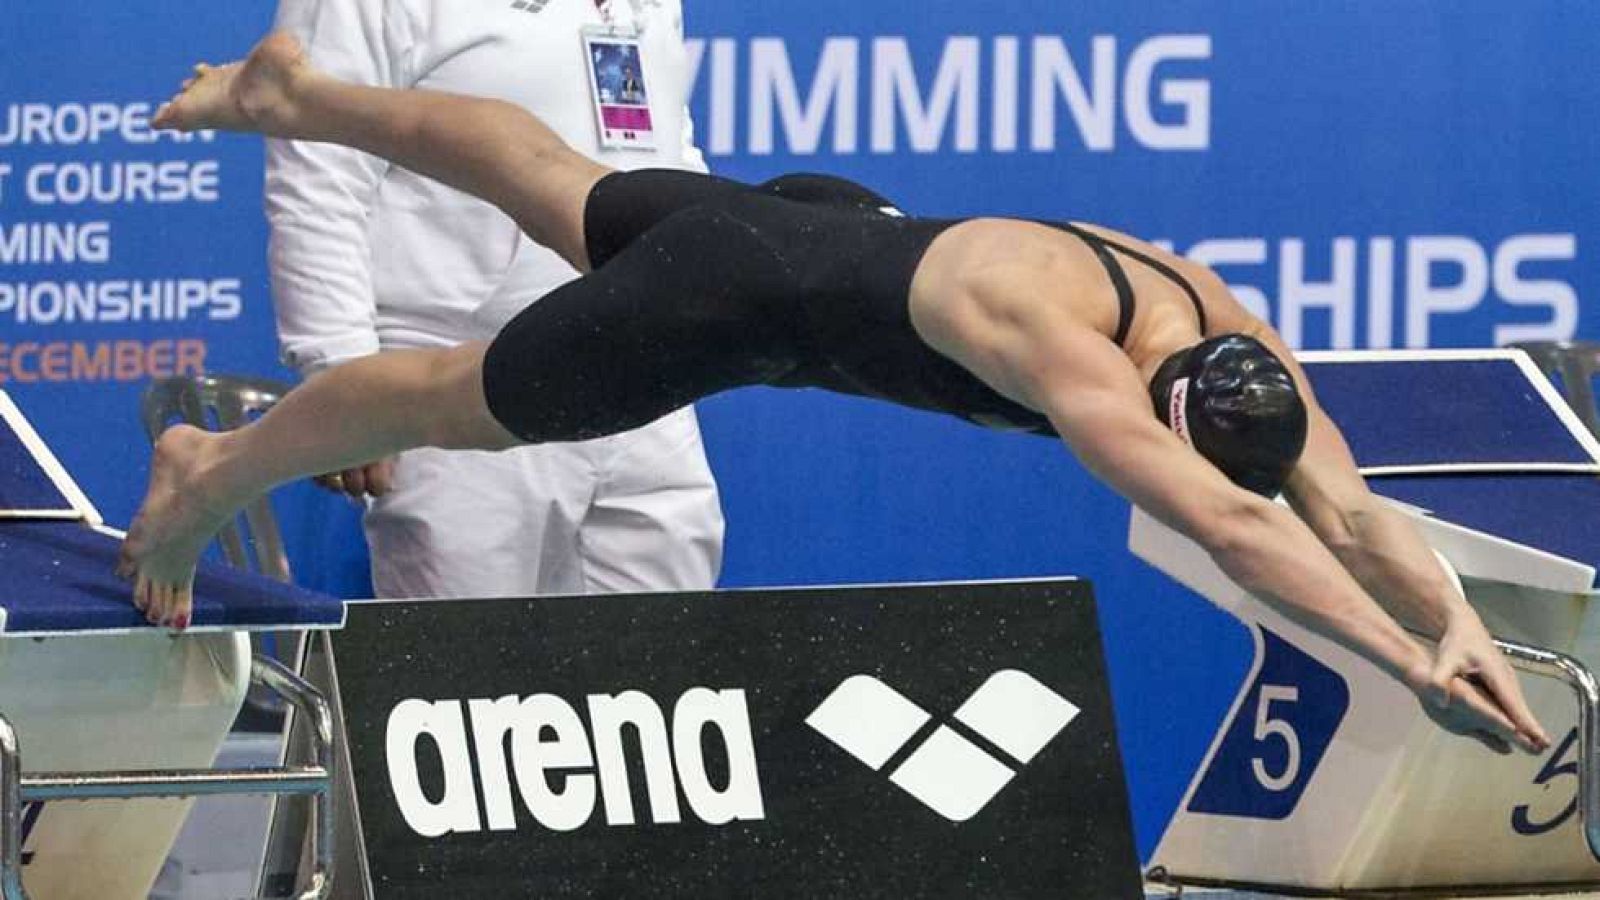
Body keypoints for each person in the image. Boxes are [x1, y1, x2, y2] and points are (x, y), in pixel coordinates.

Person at [127, 32, 1550, 758]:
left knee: (552, 178)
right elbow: (1245, 541)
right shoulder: (1075, 360)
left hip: (823, 227)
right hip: (741, 300)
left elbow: (1347, 513)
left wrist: (1456, 620)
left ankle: (298, 92)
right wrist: (1397, 662)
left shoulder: (1225, 327)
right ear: (1154, 405)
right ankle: (213, 468)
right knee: (448, 399)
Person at [265, 0, 723, 600]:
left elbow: (665, 149)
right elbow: (316, 174)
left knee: (666, 677)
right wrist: (343, 376)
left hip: (643, 378)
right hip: (459, 387)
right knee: (462, 675)